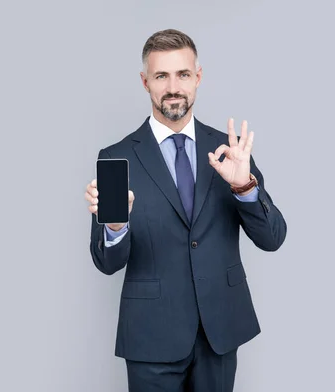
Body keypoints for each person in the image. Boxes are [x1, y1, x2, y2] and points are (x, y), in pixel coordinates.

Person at [84, 29, 287, 392]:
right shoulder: (117, 158)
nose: (173, 86)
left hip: (220, 332)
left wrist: (244, 187)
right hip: (150, 335)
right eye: (161, 75)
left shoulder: (230, 151)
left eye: (183, 74)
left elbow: (272, 239)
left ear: (198, 78)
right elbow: (107, 263)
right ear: (145, 82)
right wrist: (115, 226)